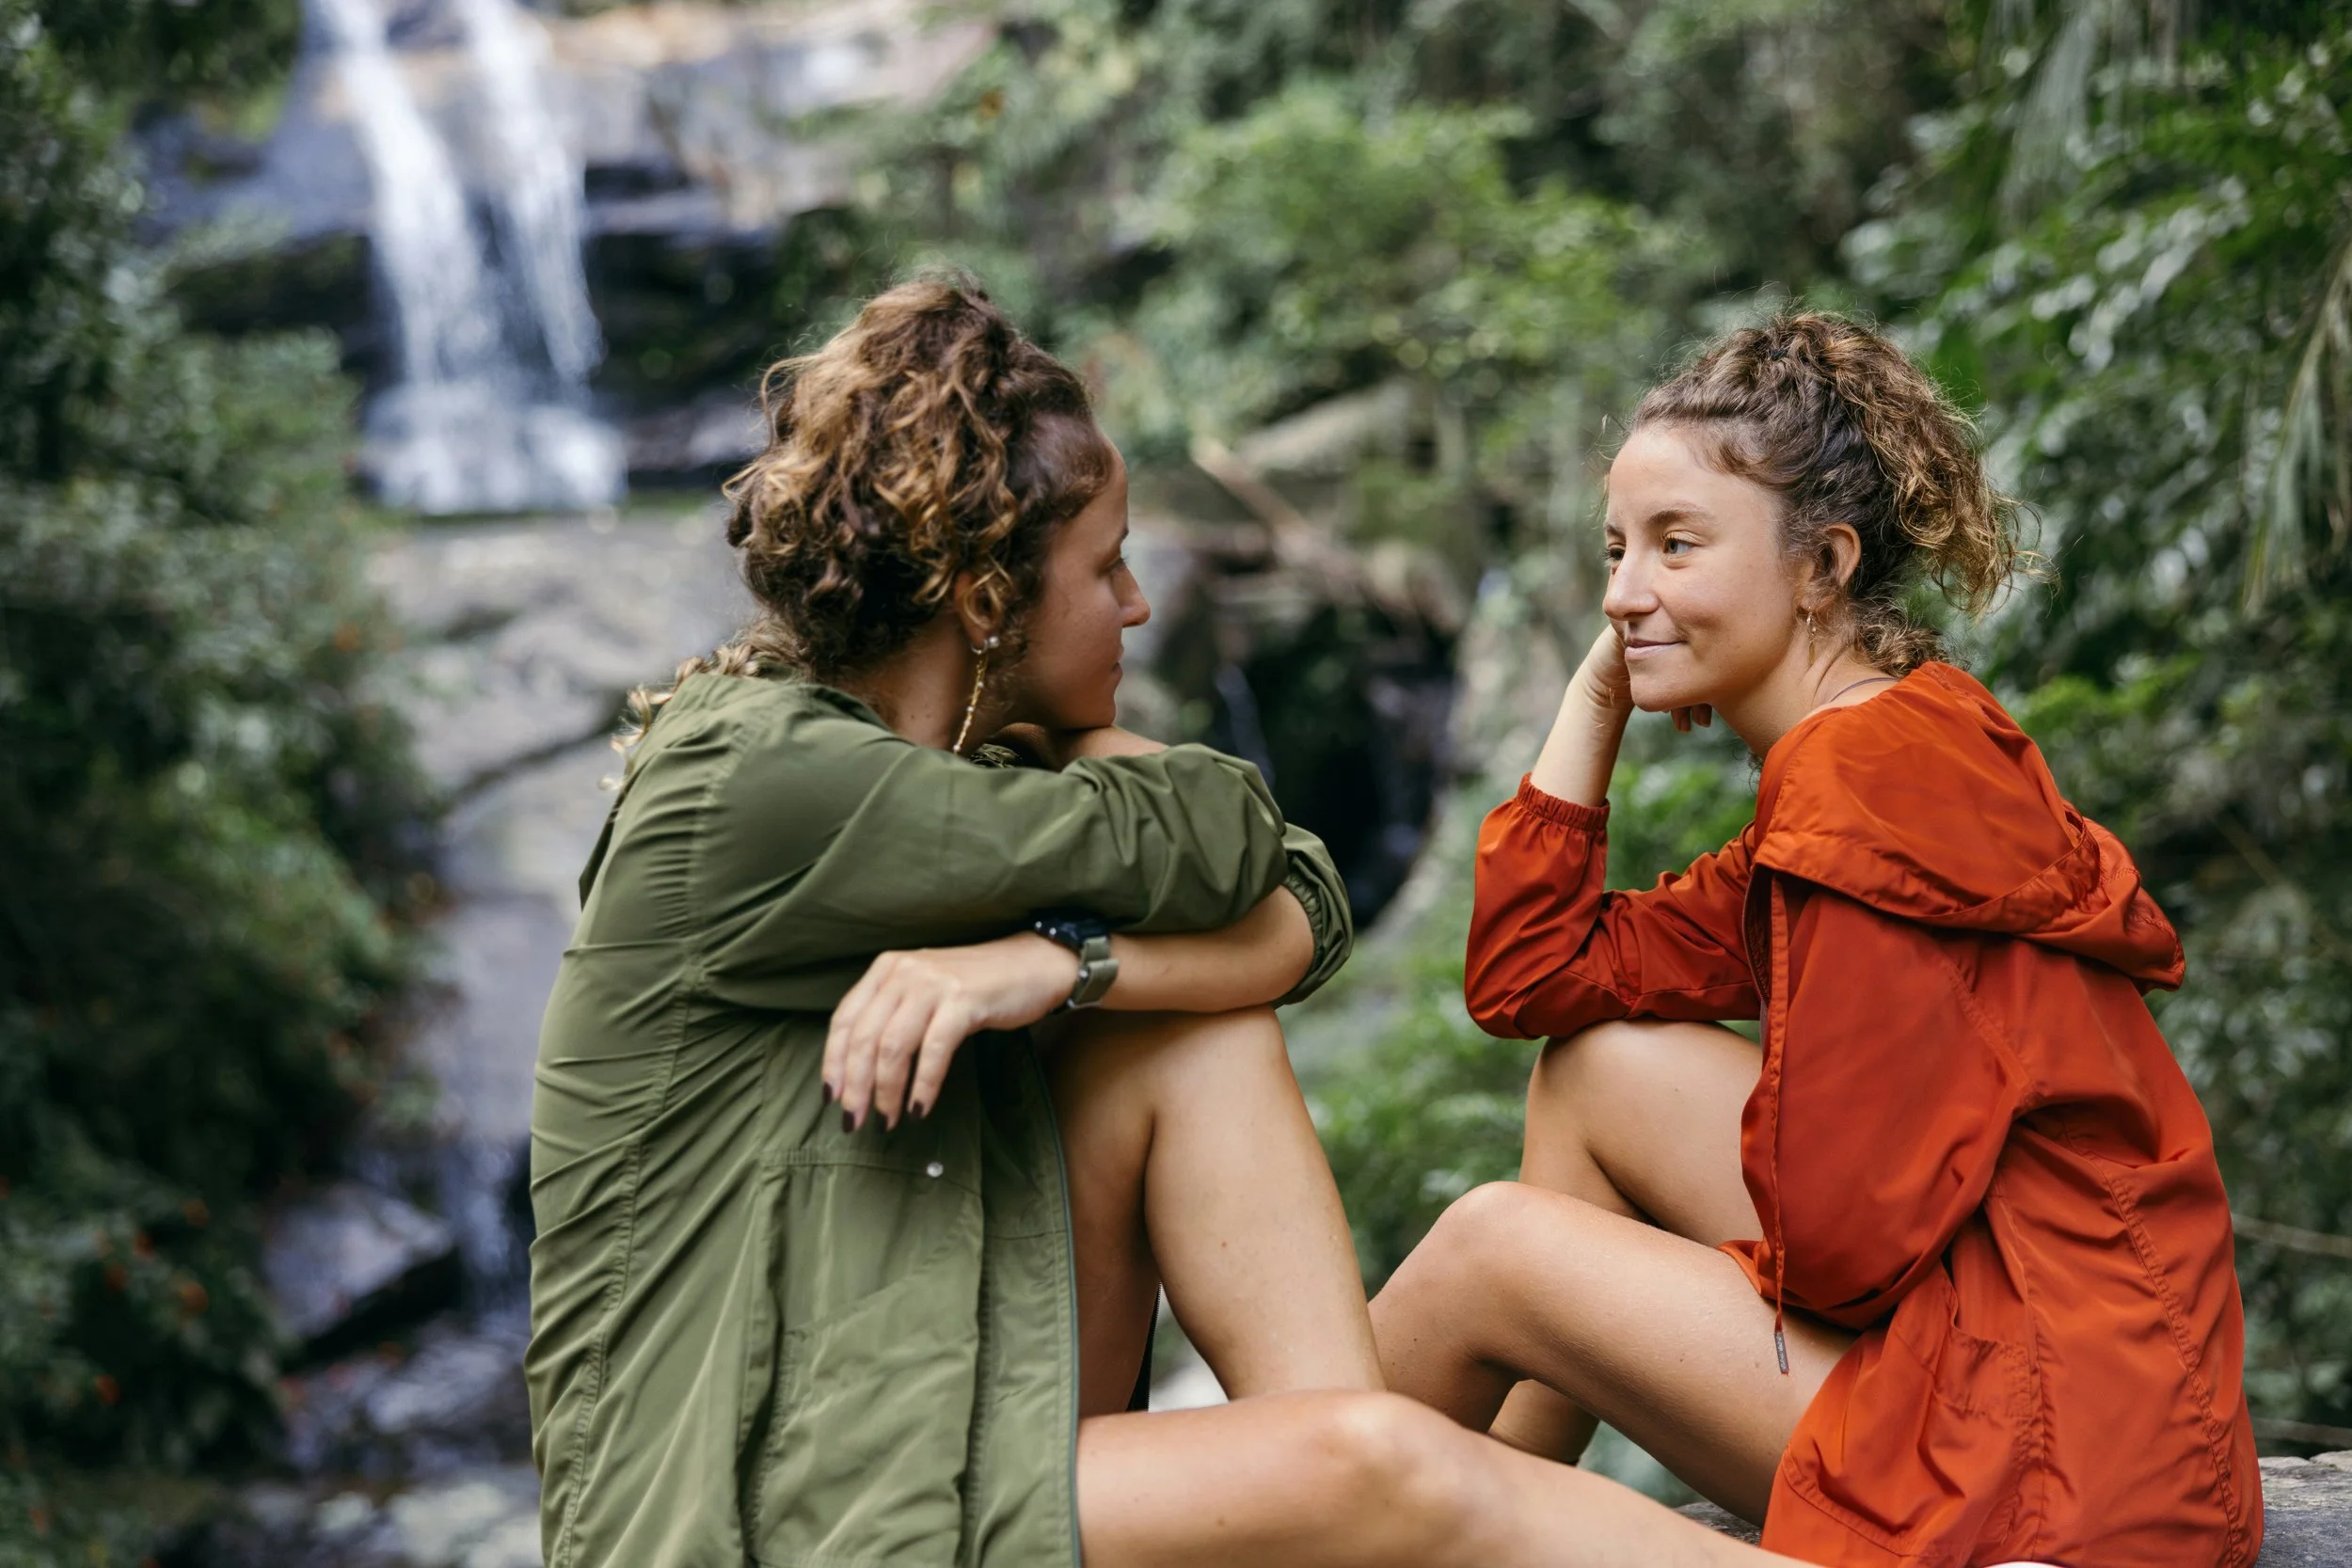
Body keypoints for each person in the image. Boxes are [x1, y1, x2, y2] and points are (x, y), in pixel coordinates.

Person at [524, 277, 1804, 1568]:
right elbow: (1226, 833)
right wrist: (1083, 801)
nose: (1139, 605)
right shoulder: (750, 776)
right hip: (772, 1513)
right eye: (1106, 566)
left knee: (1195, 1035)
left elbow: (1300, 891)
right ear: (983, 603)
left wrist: (1059, 962)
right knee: (1382, 1458)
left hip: (952, 1422)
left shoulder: (966, 775)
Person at [1371, 310, 2263, 1567]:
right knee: (1596, 1066)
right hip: (2081, 1385)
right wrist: (1596, 692)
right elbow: (1538, 976)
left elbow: (1841, 1255)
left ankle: (1320, 1505)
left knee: (1488, 1249)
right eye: (1617, 551)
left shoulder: (1861, 787)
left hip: (2053, 1463)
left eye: (1679, 546)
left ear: (1822, 563)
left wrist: (1634, 1292)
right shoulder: (1886, 741)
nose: (1627, 592)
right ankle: (1455, 1500)